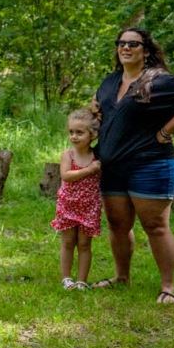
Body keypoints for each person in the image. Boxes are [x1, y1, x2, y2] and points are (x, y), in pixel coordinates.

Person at [91, 27, 174, 304]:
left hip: (150, 163)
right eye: (122, 43)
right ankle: (121, 277)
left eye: (133, 44)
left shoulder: (159, 80)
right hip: (112, 165)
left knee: (155, 225)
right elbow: (99, 108)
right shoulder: (110, 81)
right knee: (118, 224)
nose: (126, 48)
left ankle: (168, 287)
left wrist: (165, 132)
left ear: (146, 50)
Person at [51, 108, 102, 290]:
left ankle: (81, 280)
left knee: (84, 243)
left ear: (93, 135)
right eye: (71, 132)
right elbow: (66, 175)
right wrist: (89, 170)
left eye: (79, 132)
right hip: (68, 205)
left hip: (89, 206)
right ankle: (66, 278)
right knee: (68, 242)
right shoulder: (68, 155)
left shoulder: (97, 156)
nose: (74, 136)